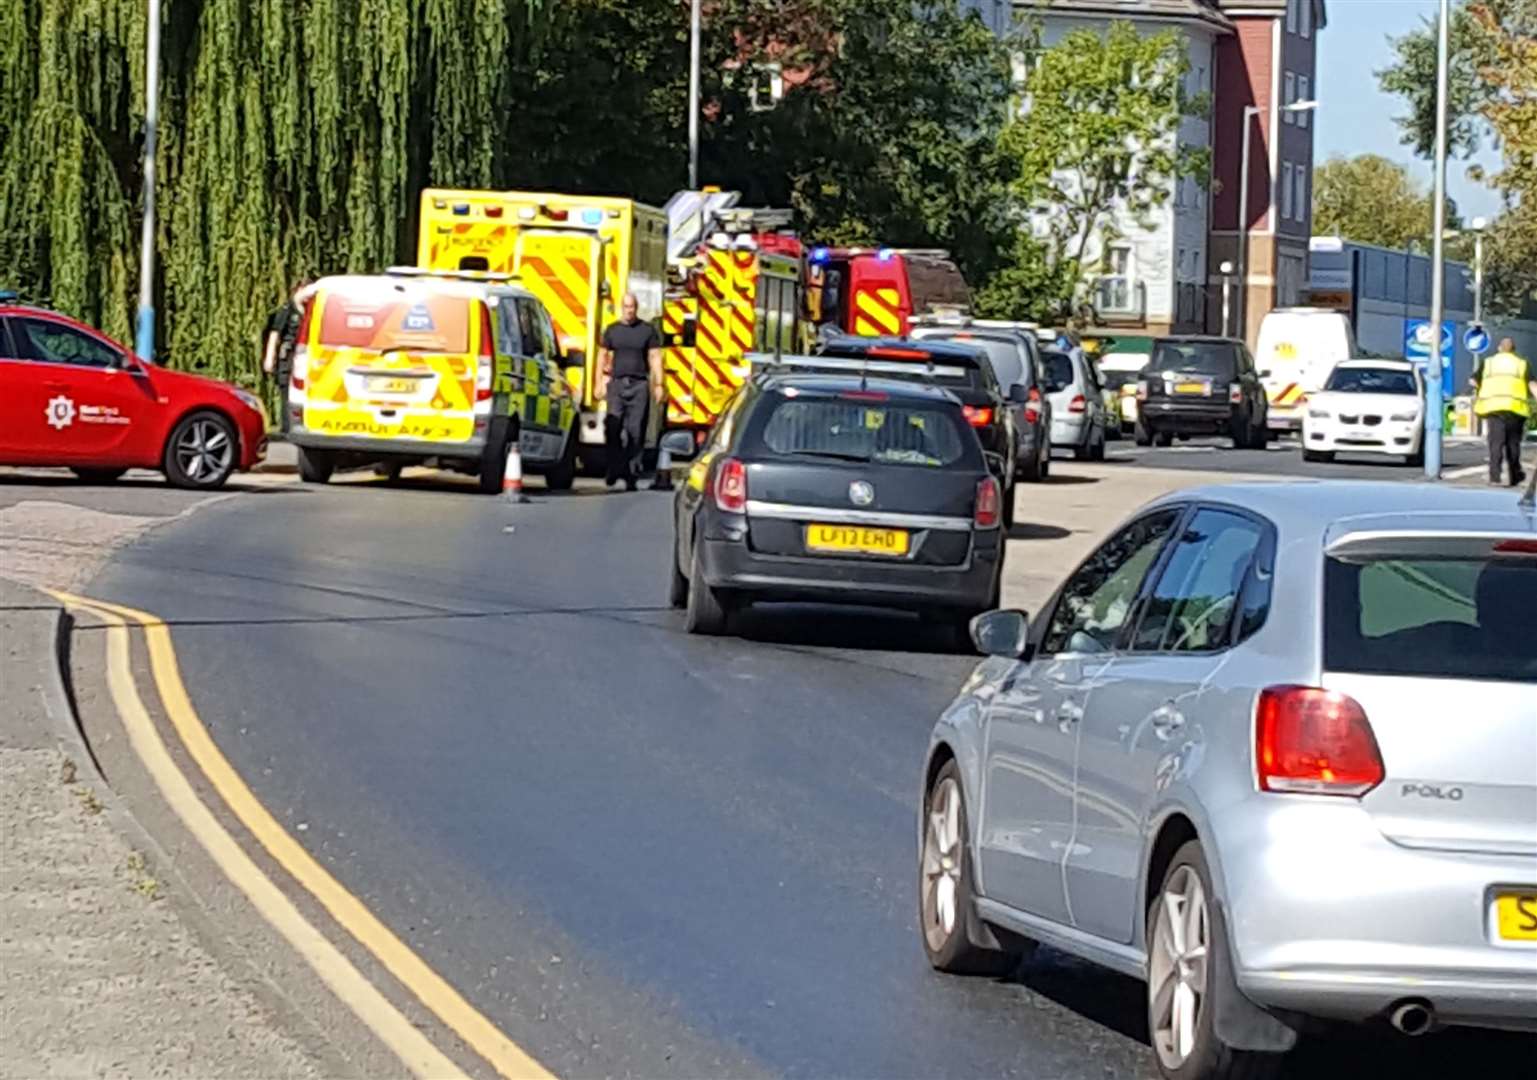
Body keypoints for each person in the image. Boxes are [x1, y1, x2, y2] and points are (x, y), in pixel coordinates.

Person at [598, 292, 663, 491]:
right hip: (617, 384)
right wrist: (598, 382)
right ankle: (614, 468)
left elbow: (655, 357)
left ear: (636, 308)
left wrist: (659, 384)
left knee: (635, 431)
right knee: (612, 427)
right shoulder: (612, 330)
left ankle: (631, 473)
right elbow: (602, 355)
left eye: (632, 307)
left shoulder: (647, 331)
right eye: (626, 307)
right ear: (621, 308)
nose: (629, 310)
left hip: (639, 385)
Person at [1471, 337, 1536, 487]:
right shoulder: (1521, 364)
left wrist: (1481, 388)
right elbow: (1532, 384)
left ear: (1499, 348)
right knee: (1513, 444)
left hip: (1493, 408)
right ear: (1514, 350)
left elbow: (1473, 381)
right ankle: (1514, 476)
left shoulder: (1489, 363)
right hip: (1515, 409)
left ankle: (1495, 477)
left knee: (1496, 443)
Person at [261, 282, 312, 433]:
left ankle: (300, 424)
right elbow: (275, 333)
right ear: (298, 290)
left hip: (303, 358)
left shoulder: (310, 311)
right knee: (286, 393)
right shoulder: (287, 309)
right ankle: (286, 427)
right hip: (287, 356)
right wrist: (269, 358)